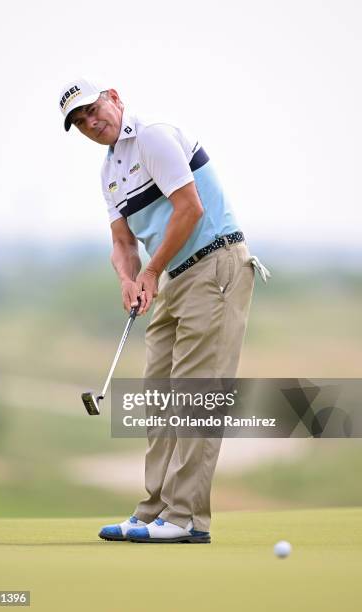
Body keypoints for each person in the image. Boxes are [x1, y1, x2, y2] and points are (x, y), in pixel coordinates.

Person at [58, 78, 270, 544]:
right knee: (158, 397)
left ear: (113, 97)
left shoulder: (153, 136)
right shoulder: (109, 171)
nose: (91, 122)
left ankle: (185, 518)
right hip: (174, 277)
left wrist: (150, 272)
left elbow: (189, 209)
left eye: (93, 109)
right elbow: (121, 240)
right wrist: (130, 279)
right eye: (79, 122)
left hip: (215, 265)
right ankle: (154, 510)